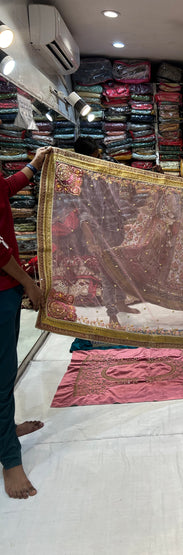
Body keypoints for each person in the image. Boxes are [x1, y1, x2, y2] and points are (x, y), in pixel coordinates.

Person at [1, 146, 50, 499]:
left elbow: (4, 190)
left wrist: (35, 164)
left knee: (5, 371)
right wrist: (29, 282)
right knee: (1, 375)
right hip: (1, 287)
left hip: (5, 289)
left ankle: (7, 430)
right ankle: (10, 461)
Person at [73, 137, 140, 326]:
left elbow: (125, 180)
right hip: (100, 231)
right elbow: (83, 211)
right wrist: (90, 238)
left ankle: (121, 303)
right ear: (90, 155)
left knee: (119, 266)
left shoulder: (105, 166)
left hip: (116, 226)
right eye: (96, 154)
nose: (99, 156)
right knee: (107, 272)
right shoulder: (82, 178)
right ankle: (112, 314)